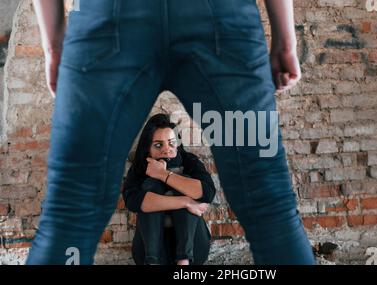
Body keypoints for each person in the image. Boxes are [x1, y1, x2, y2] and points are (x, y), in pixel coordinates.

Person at [27, 0, 316, 264]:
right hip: (222, 21)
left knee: (71, 210)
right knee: (268, 201)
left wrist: (53, 44)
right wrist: (284, 39)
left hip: (108, 19)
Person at [123, 114, 216, 265]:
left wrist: (163, 174)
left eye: (171, 143)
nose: (166, 150)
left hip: (193, 248)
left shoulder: (189, 161)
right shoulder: (139, 168)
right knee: (151, 185)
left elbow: (207, 192)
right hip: (149, 251)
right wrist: (186, 202)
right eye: (158, 145)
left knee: (185, 180)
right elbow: (133, 201)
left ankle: (183, 262)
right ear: (148, 148)